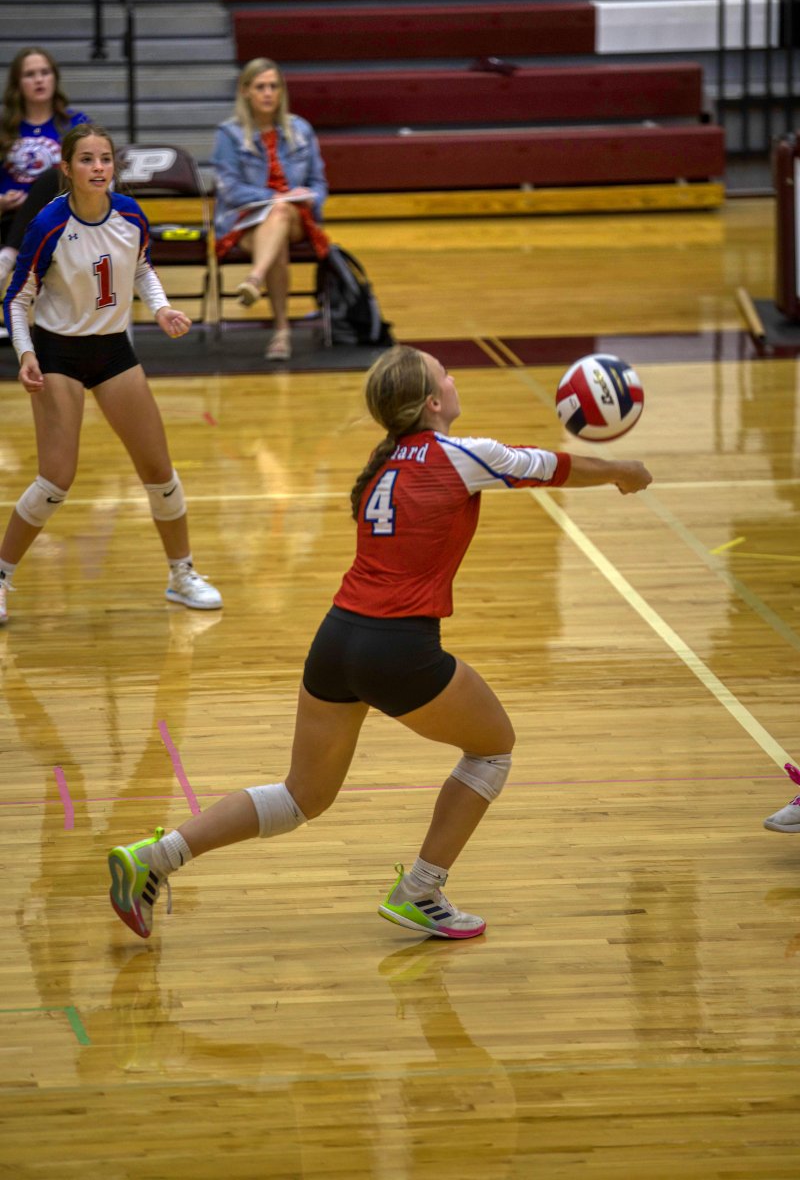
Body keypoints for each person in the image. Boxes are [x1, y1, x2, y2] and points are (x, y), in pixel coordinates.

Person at [107, 343, 653, 942]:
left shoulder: (383, 463)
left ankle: (154, 858)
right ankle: (421, 889)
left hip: (337, 639)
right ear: (432, 402)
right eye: (444, 373)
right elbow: (555, 467)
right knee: (492, 750)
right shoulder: (464, 455)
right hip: (398, 647)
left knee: (300, 796)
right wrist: (623, 470)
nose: (453, 376)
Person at [0, 123, 222, 626]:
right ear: (67, 168)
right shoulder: (49, 224)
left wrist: (161, 309)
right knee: (56, 480)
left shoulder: (130, 214)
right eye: (87, 159)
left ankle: (182, 573)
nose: (98, 168)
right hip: (57, 352)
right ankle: (2, 575)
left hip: (113, 350)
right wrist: (25, 353)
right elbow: (16, 298)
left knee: (159, 472)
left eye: (105, 159)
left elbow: (142, 267)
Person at [212, 57, 329, 362]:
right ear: (245, 91)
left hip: (296, 217)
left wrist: (307, 197)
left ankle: (254, 279)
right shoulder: (229, 134)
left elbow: (319, 183)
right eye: (260, 87)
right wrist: (274, 197)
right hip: (245, 220)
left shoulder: (301, 129)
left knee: (280, 212)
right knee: (277, 233)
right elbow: (229, 189)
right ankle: (281, 331)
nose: (268, 93)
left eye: (274, 86)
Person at [0, 46, 89, 319]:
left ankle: (7, 258)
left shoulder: (75, 125)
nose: (39, 80)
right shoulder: (4, 128)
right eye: (30, 74)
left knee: (55, 174)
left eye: (44, 72)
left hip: (59, 224)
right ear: (18, 83)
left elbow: (89, 176)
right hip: (6, 220)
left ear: (54, 78)